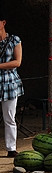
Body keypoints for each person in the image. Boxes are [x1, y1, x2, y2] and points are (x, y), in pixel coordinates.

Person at [0, 16, 23, 158]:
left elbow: (17, 62)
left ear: (3, 23)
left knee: (9, 116)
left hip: (9, 83)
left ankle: (11, 148)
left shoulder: (14, 40)